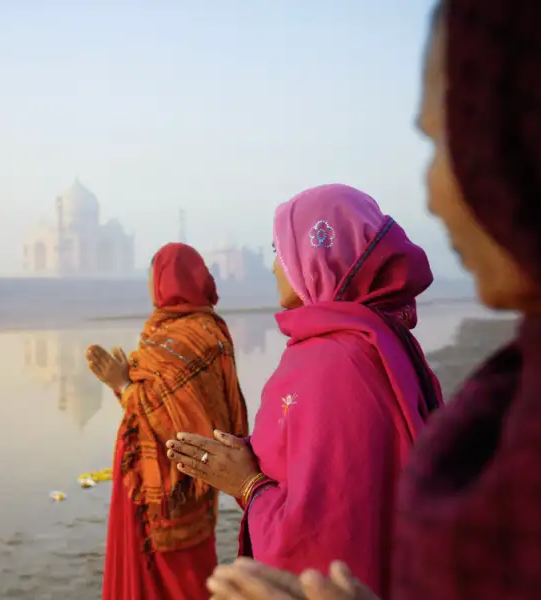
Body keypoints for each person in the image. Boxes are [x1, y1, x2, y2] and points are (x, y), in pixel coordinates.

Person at [203, 0, 541, 598]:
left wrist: (248, 487)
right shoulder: (381, 343)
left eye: (444, 143)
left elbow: (326, 529)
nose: (434, 198)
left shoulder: (334, 360)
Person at [167, 183, 443, 597]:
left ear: (317, 257)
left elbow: (322, 537)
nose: (274, 267)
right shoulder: (372, 340)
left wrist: (247, 484)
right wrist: (253, 456)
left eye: (280, 251)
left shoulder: (335, 362)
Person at [86, 242, 249, 600]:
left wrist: (123, 385)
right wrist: (126, 386)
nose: (149, 285)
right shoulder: (203, 333)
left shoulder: (191, 338)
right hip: (156, 480)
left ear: (165, 281)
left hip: (168, 488)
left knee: (180, 578)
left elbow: (176, 423)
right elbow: (160, 407)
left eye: (152, 277)